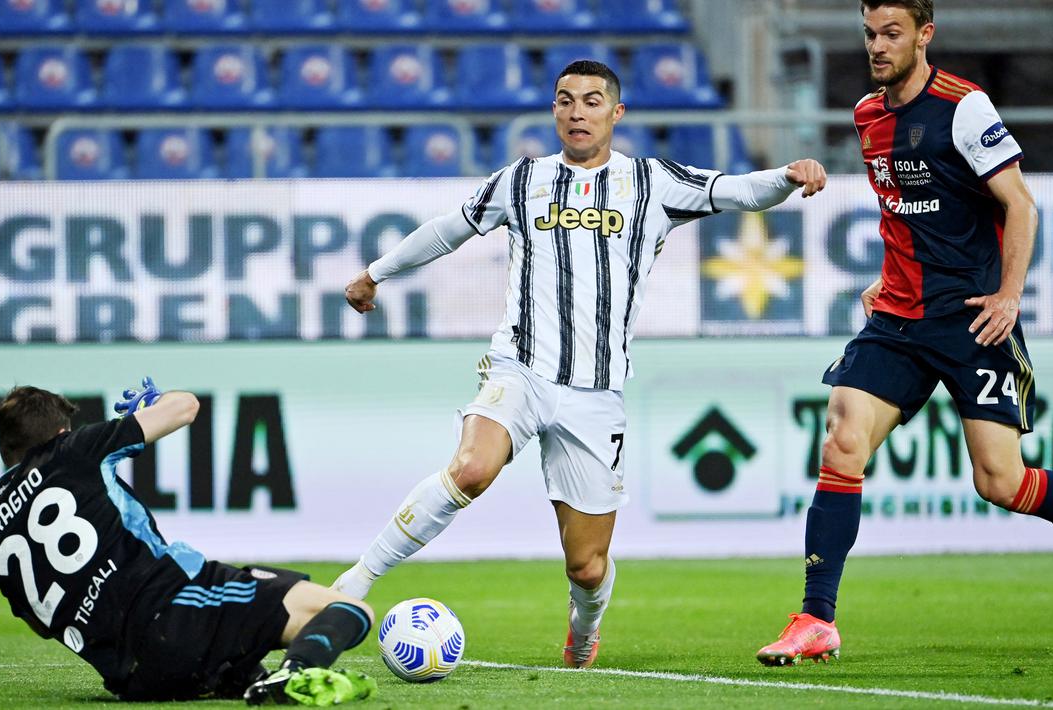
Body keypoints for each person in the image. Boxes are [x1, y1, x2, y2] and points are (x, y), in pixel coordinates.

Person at [334, 59, 828, 669]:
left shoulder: (652, 182)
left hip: (597, 393)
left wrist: (788, 173)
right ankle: (353, 583)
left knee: (587, 565)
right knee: (470, 468)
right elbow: (448, 229)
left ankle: (584, 629)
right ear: (553, 111)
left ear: (616, 113)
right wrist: (374, 274)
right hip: (520, 368)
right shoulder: (522, 180)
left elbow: (737, 191)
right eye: (565, 100)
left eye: (592, 101)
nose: (577, 112)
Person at [755, 0, 1053, 667]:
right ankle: (816, 618)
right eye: (869, 33)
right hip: (899, 318)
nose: (877, 46)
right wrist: (883, 277)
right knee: (842, 438)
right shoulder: (868, 116)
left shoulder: (964, 106)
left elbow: (1019, 203)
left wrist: (1010, 295)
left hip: (971, 318)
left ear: (924, 35)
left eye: (891, 34)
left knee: (999, 480)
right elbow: (905, 216)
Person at [0, 380, 377, 706]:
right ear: (62, 432)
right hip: (175, 612)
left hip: (134, 678)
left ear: (4, 450)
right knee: (346, 609)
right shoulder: (72, 450)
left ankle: (231, 676)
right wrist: (152, 404)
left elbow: (41, 626)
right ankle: (294, 678)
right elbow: (185, 407)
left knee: (236, 661)